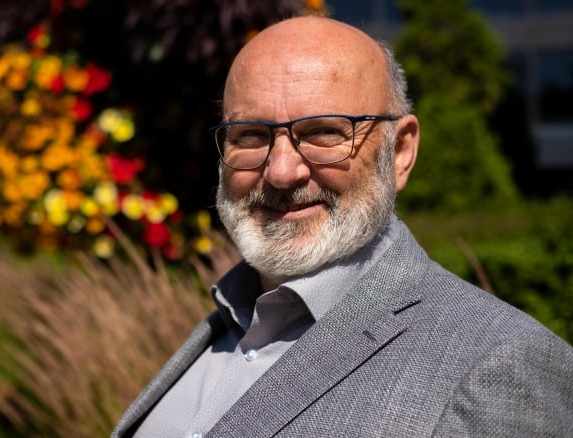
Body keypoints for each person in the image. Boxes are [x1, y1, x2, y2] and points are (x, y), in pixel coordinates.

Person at [112, 14, 573, 438]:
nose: (281, 172)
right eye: (250, 135)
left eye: (323, 133)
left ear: (400, 152)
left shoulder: (499, 363)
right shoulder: (227, 324)